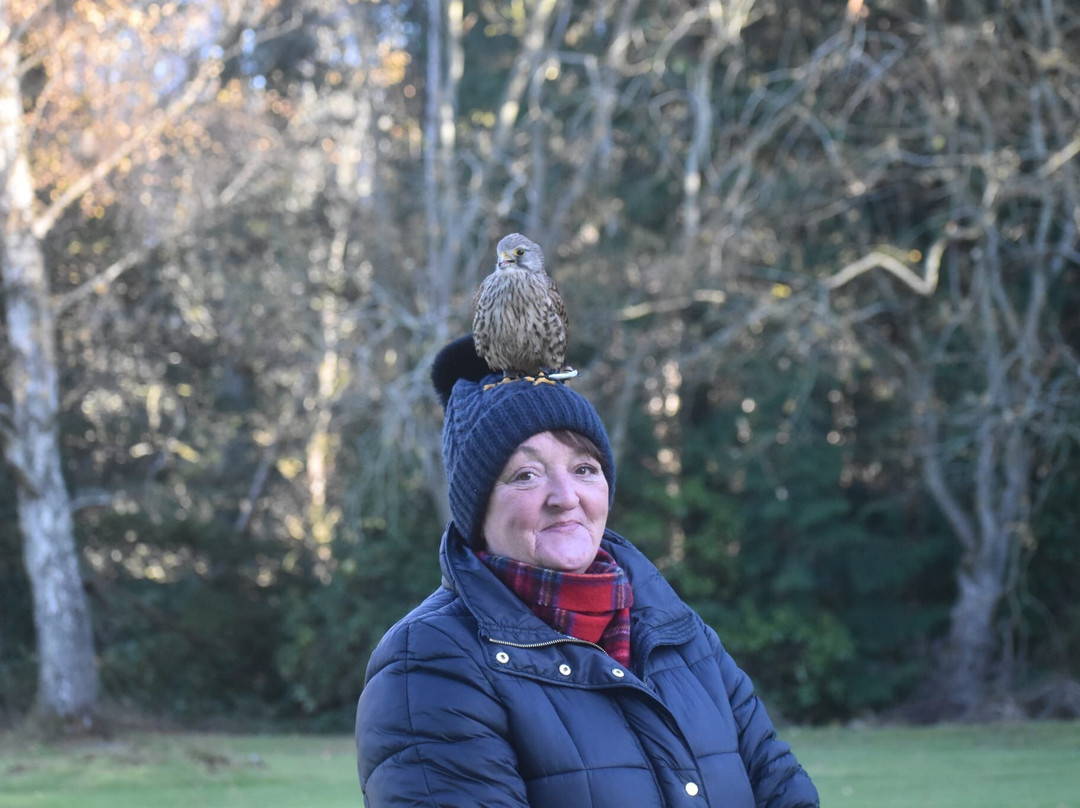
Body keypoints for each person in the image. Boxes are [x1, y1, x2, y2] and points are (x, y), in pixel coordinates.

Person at [355, 334, 820, 807]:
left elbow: (784, 792)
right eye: (526, 475)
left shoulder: (680, 636)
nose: (566, 497)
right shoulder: (429, 661)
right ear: (478, 509)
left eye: (584, 469)